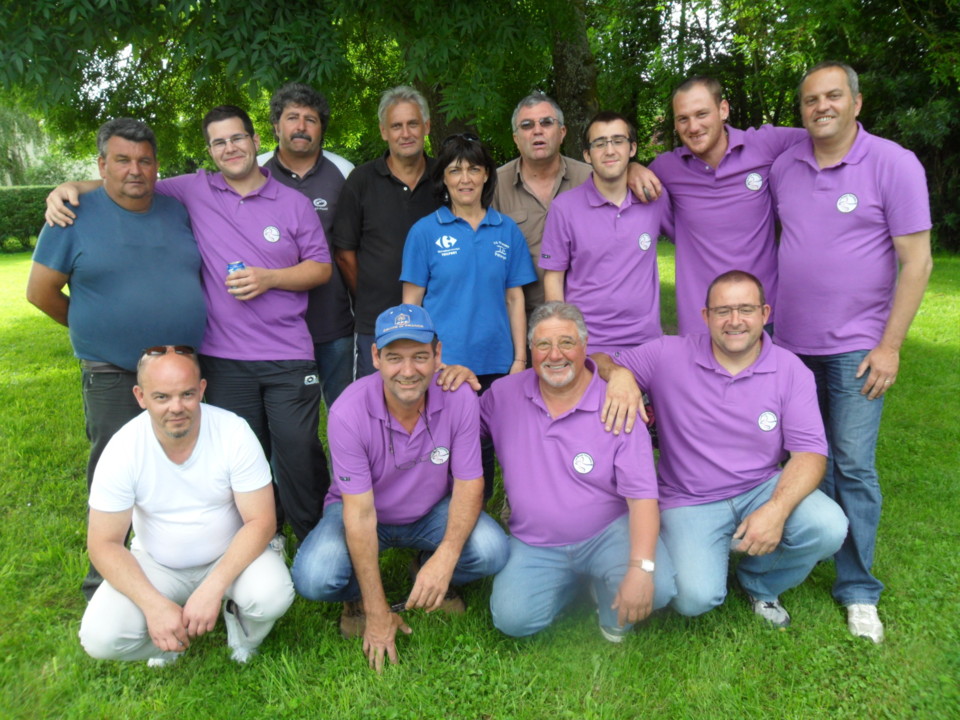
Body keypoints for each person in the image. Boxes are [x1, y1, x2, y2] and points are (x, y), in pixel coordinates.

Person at [44, 105, 334, 545]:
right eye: (218, 142)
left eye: (237, 138)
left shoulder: (292, 203)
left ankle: (316, 541)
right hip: (222, 356)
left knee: (298, 450)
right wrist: (67, 188)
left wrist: (270, 278)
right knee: (242, 454)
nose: (229, 148)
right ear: (210, 151)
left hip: (288, 353)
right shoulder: (194, 190)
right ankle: (261, 538)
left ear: (257, 142)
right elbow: (129, 183)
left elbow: (321, 268)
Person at [770, 61, 933, 643]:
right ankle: (793, 557)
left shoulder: (893, 164)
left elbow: (917, 261)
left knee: (853, 465)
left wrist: (890, 346)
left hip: (858, 349)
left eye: (833, 96)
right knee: (795, 459)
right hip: (788, 347)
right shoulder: (785, 165)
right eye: (811, 99)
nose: (821, 107)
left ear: (856, 103)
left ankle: (858, 588)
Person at [596, 271, 848, 628]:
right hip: (689, 498)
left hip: (760, 487)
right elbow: (598, 359)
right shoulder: (668, 353)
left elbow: (809, 454)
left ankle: (760, 582)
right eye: (723, 310)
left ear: (765, 313)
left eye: (745, 309)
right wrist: (619, 375)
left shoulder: (791, 370)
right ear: (705, 317)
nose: (734, 321)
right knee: (694, 597)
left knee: (828, 526)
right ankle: (711, 552)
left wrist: (776, 510)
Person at [27, 118, 206, 600]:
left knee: (184, 465)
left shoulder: (176, 211)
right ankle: (104, 584)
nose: (135, 170)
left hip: (184, 372)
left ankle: (181, 565)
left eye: (144, 160)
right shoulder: (72, 216)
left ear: (156, 166)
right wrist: (95, 326)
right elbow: (40, 292)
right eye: (122, 160)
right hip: (111, 371)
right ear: (101, 165)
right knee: (113, 470)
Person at [291, 305, 508, 673]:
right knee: (314, 576)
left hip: (428, 513)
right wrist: (378, 613)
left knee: (492, 549)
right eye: (394, 357)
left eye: (420, 356)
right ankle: (359, 598)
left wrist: (445, 559)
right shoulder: (347, 412)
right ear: (376, 357)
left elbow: (471, 483)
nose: (408, 371)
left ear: (438, 354)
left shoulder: (459, 398)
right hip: (364, 513)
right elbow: (359, 513)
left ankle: (425, 568)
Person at [78, 347, 294, 666]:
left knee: (272, 596)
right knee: (100, 638)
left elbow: (261, 521)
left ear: (202, 389)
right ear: (140, 396)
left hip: (230, 555)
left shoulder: (232, 431)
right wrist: (153, 605)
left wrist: (213, 587)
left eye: (187, 394)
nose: (176, 407)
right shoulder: (123, 448)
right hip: (157, 564)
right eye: (162, 397)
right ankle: (167, 638)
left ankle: (242, 627)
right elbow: (103, 544)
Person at [482, 302, 676, 641]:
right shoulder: (503, 396)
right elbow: (456, 427)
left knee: (656, 590)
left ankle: (603, 583)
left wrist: (641, 569)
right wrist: (448, 381)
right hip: (535, 542)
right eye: (543, 345)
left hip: (607, 533)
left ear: (585, 346)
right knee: (513, 620)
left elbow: (643, 498)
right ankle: (572, 583)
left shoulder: (618, 401)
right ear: (531, 350)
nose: (555, 354)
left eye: (566, 343)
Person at [649, 77, 806, 335]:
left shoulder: (763, 144)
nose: (693, 126)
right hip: (701, 321)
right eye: (683, 119)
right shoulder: (667, 168)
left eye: (702, 114)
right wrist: (633, 169)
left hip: (763, 316)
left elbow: (825, 138)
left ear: (723, 110)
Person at [494, 93, 662, 317]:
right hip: (516, 314)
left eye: (546, 122)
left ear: (562, 132)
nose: (537, 131)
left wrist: (632, 168)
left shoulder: (590, 177)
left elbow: (615, 170)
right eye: (526, 125)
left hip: (580, 317)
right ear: (516, 138)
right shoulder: (495, 186)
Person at [332, 86, 440, 378]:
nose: (405, 133)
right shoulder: (361, 181)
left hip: (439, 320)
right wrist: (370, 294)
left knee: (437, 405)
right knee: (374, 406)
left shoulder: (445, 179)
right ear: (384, 131)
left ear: (427, 126)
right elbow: (344, 254)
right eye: (396, 126)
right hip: (377, 323)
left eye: (413, 123)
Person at [541, 112, 668, 355]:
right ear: (587, 154)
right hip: (589, 346)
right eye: (599, 143)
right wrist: (563, 336)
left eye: (618, 141)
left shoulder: (654, 199)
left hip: (646, 343)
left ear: (632, 148)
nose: (609, 150)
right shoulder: (564, 208)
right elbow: (554, 278)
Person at [261, 82, 356, 407]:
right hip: (272, 326)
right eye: (292, 117)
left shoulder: (343, 173)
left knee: (346, 415)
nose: (301, 126)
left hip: (334, 322)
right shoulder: (255, 171)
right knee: (288, 424)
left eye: (310, 119)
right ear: (276, 125)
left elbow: (354, 248)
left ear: (321, 128)